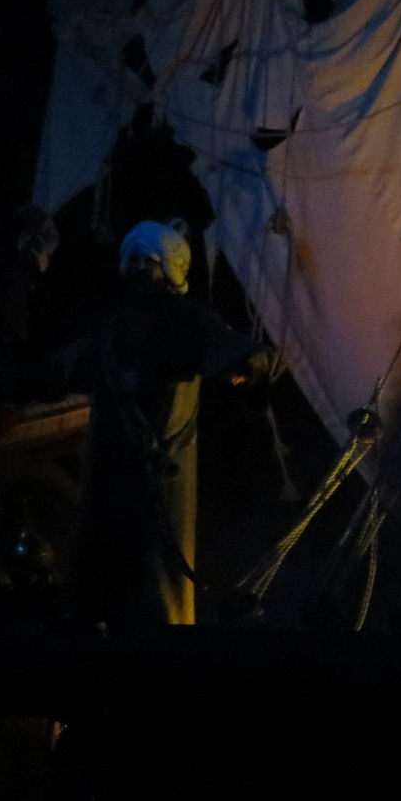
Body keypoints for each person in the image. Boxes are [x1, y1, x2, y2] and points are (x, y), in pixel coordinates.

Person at [66, 219, 263, 630]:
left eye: (151, 261)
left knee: (157, 566)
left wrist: (249, 365)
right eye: (135, 259)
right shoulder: (112, 320)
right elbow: (71, 360)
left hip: (162, 459)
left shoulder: (187, 321)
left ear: (170, 267)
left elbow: (234, 349)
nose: (141, 268)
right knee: (107, 555)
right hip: (112, 457)